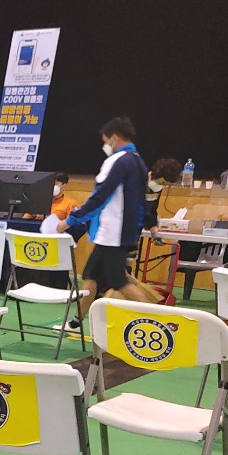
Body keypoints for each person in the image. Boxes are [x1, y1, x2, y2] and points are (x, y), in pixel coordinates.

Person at [56, 116, 151, 333]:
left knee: (118, 280)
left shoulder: (117, 161)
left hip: (113, 232)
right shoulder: (138, 162)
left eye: (105, 140)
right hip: (121, 232)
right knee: (90, 275)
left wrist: (70, 221)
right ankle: (76, 323)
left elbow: (99, 197)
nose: (105, 145)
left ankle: (158, 321)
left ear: (114, 137)